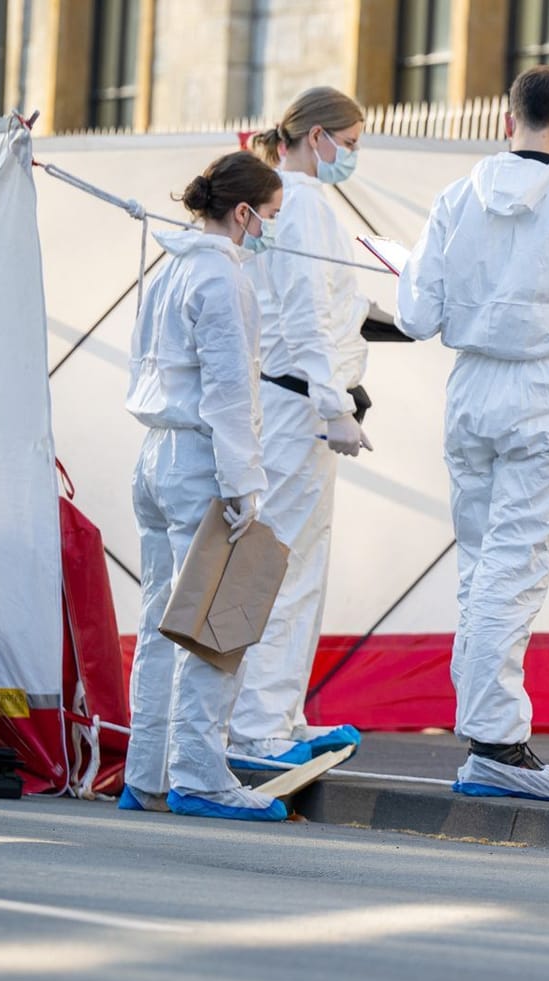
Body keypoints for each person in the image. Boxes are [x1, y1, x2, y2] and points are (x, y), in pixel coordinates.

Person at [395, 65, 549, 801]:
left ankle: (485, 735)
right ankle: (496, 741)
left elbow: (414, 317)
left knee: (481, 564)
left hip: (471, 388)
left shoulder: (453, 199)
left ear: (506, 121)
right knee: (516, 563)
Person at [120, 151, 290, 822]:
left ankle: (149, 773)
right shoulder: (223, 280)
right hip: (200, 464)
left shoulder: (171, 268)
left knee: (162, 622)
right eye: (270, 217)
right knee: (218, 623)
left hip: (154, 457)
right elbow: (228, 389)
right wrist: (243, 481)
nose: (270, 232)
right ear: (244, 213)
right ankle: (200, 775)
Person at [228, 87, 373, 770]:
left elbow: (319, 303)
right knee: (286, 565)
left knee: (296, 561)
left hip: (289, 400)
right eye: (349, 143)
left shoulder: (287, 201)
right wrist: (332, 402)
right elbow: (306, 309)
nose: (352, 156)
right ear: (316, 137)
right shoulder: (305, 203)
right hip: (298, 407)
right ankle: (261, 722)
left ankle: (280, 712)